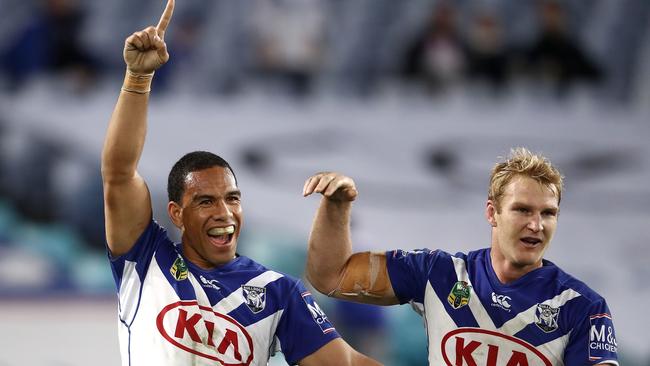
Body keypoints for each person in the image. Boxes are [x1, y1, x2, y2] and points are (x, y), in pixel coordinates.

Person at [101, 1, 381, 365]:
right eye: (205, 201)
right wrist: (137, 80)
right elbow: (119, 172)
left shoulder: (278, 292)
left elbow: (348, 362)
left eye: (232, 198)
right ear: (176, 213)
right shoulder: (145, 259)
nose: (224, 212)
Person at [303, 147, 618, 365]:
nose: (536, 225)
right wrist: (336, 207)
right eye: (522, 210)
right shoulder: (439, 274)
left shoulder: (581, 308)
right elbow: (331, 276)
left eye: (548, 214)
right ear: (492, 213)